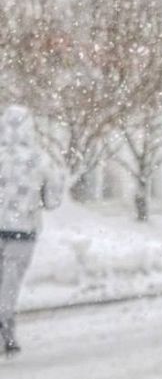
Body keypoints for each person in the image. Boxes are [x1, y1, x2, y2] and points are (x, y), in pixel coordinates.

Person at [0, 105, 64, 357]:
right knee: (10, 282)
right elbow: (52, 200)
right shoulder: (41, 160)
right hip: (22, 232)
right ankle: (6, 327)